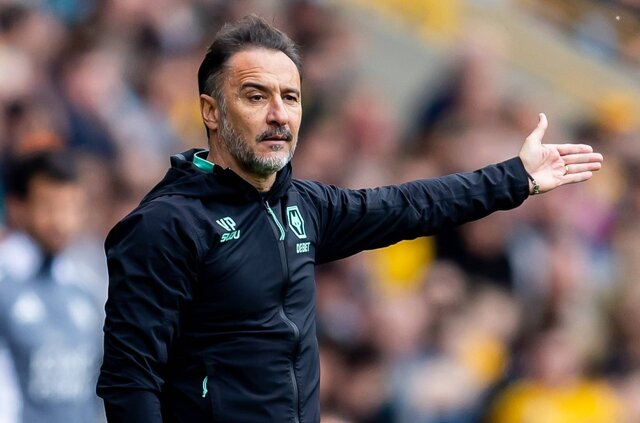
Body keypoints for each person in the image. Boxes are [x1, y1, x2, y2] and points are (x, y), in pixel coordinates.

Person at [97, 15, 603, 423]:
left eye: (290, 97)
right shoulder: (167, 224)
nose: (278, 114)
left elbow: (411, 205)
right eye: (255, 96)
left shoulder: (303, 206)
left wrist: (516, 177)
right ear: (211, 111)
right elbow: (129, 379)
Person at [0, 150, 105, 423]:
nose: (61, 220)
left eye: (71, 208)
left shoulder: (85, 288)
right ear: (17, 207)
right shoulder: (4, 284)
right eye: (49, 207)